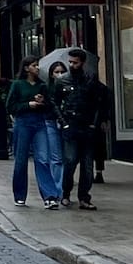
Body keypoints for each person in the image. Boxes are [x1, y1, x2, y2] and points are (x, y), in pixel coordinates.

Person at [6, 56, 59, 209]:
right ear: (26, 68)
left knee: (43, 158)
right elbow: (10, 106)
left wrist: (42, 102)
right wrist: (28, 105)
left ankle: (49, 196)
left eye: (37, 65)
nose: (37, 68)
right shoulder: (18, 85)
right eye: (34, 65)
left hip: (39, 123)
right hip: (23, 123)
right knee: (21, 160)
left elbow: (50, 106)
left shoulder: (42, 86)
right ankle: (19, 195)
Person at [53, 47, 102, 210]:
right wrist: (63, 122)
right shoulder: (62, 81)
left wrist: (94, 123)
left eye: (75, 62)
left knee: (87, 165)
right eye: (70, 62)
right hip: (71, 124)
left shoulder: (90, 79)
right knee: (70, 161)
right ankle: (66, 193)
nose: (72, 65)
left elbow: (97, 103)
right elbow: (55, 103)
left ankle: (84, 197)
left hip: (86, 124)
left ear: (82, 63)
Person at [44, 61, 68, 201]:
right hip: (51, 123)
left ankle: (63, 188)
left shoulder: (69, 87)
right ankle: (58, 191)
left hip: (66, 124)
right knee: (56, 158)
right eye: (56, 72)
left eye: (62, 72)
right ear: (51, 74)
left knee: (67, 158)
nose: (60, 75)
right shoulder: (48, 88)